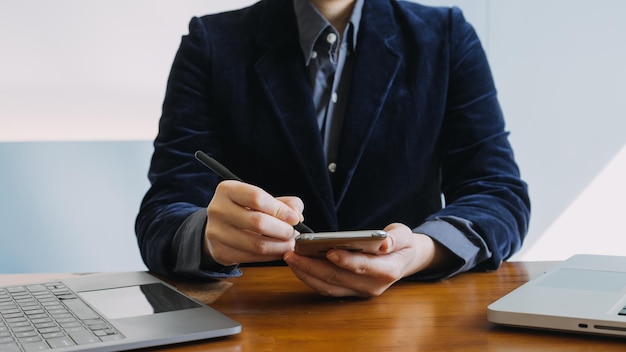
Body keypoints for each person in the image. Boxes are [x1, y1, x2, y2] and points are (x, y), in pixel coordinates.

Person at [136, 0, 530, 297]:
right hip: (256, 318)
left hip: (409, 316)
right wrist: (208, 236)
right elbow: (163, 213)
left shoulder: (445, 36)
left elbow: (498, 194)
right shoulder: (211, 44)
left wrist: (421, 251)